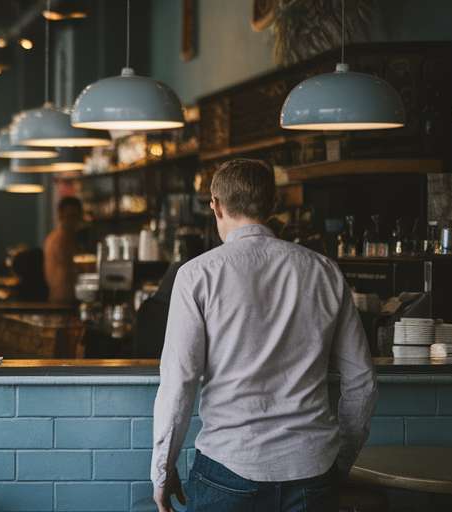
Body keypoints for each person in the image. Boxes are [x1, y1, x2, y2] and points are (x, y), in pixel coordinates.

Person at [151, 159, 377, 512]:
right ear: (274, 206)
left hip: (228, 465)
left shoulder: (197, 275)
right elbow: (361, 380)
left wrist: (163, 471)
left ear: (215, 205)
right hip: (312, 468)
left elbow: (179, 383)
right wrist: (339, 460)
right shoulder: (324, 271)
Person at [43, 197, 84, 304]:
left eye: (76, 216)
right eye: (70, 216)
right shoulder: (60, 239)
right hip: (62, 300)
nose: (74, 221)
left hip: (66, 299)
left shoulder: (68, 237)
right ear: (60, 216)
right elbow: (71, 269)